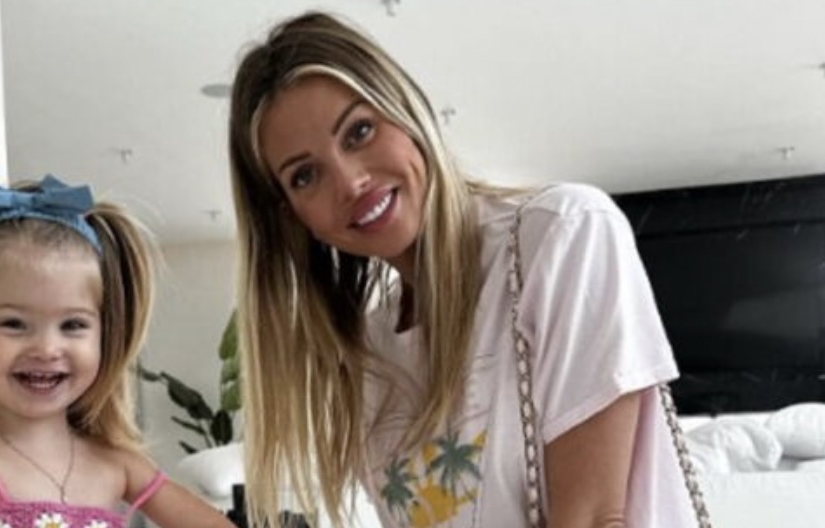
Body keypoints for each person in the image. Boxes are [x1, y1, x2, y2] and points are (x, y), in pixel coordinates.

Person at [227, 11, 700, 528]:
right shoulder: (367, 355)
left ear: (407, 110)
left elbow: (593, 518)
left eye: (359, 131)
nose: (350, 181)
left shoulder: (560, 236)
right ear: (292, 217)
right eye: (305, 176)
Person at [0, 164, 233, 528]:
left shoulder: (118, 465)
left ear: (106, 332)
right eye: (14, 324)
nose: (47, 348)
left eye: (73, 325)